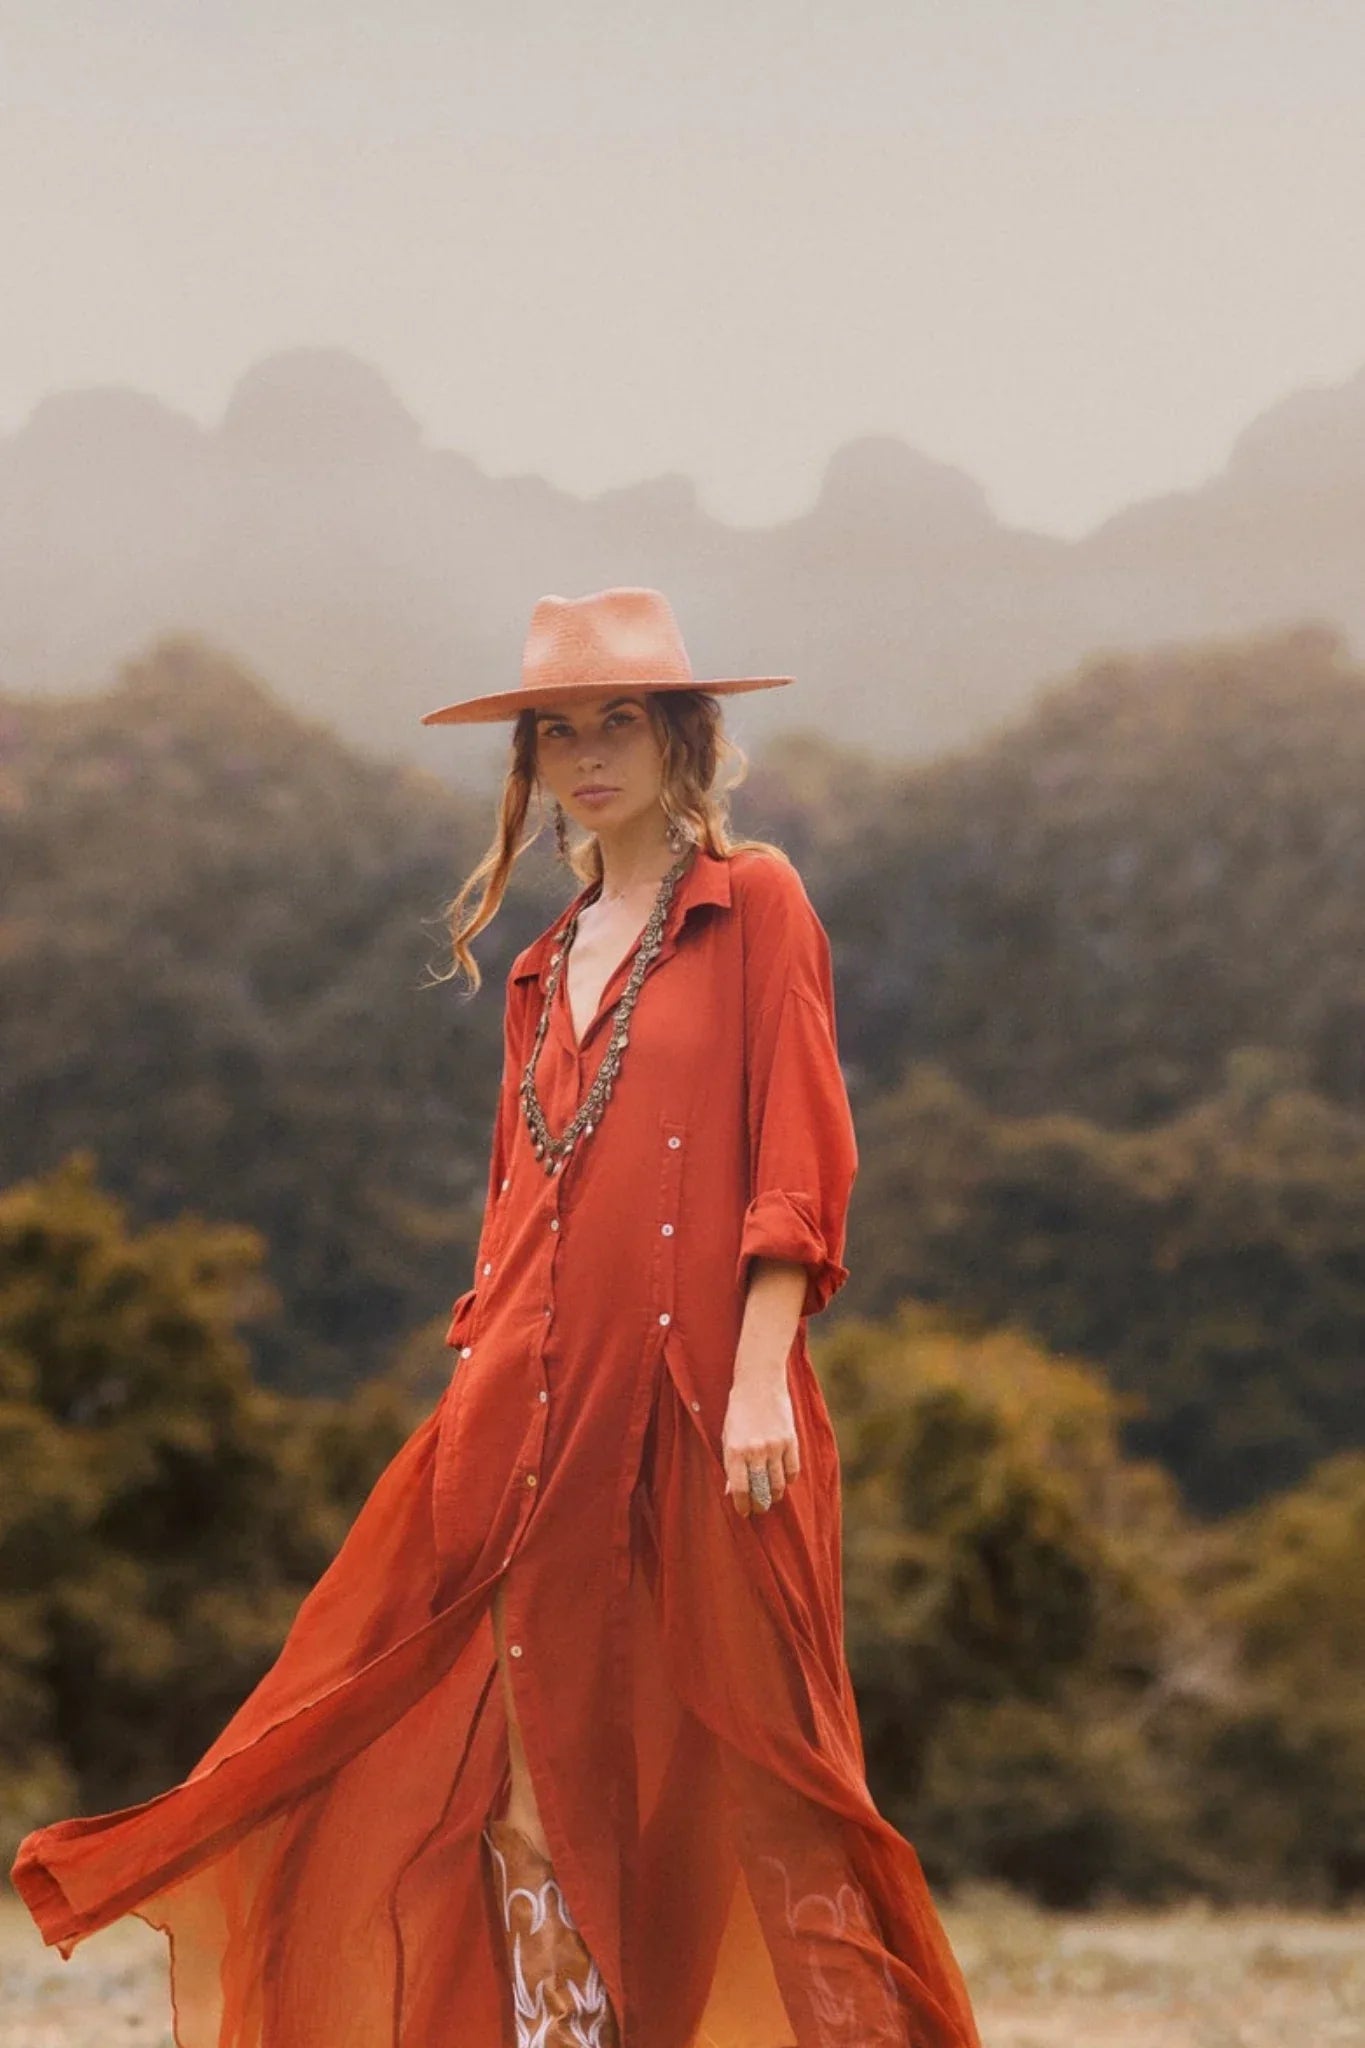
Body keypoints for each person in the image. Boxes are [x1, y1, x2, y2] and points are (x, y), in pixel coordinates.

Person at [10, 586, 980, 2048]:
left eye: (617, 721)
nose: (587, 754)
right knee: (513, 1785)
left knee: (766, 1778)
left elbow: (798, 1159)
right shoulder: (537, 967)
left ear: (679, 735)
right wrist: (474, 1390)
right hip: (525, 1415)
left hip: (708, 1412)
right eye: (556, 731)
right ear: (529, 760)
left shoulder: (755, 902)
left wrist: (761, 1380)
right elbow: (517, 1218)